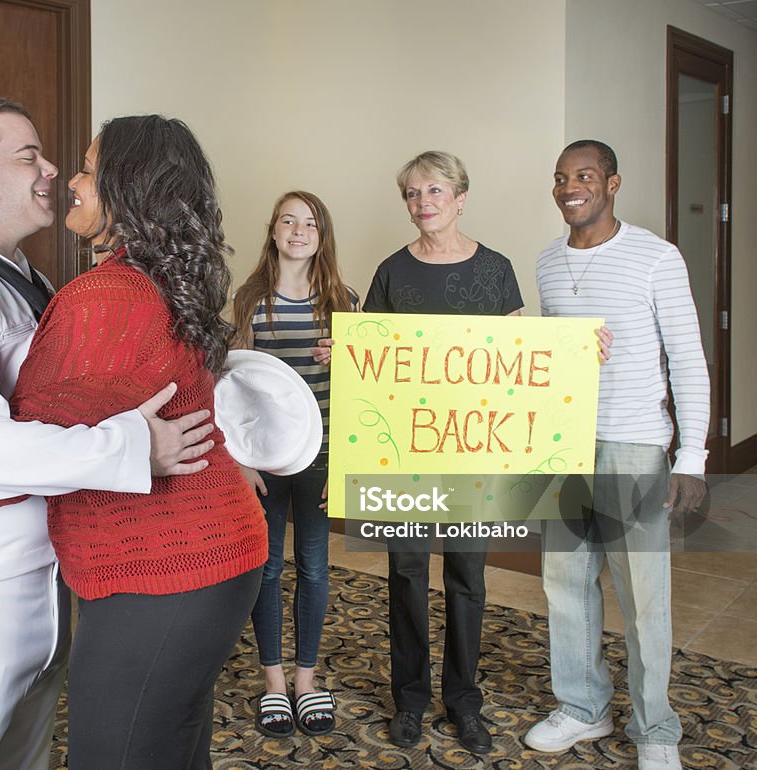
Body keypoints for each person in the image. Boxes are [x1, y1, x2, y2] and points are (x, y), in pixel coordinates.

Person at [0, 114, 270, 770]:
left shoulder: (54, 286)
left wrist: (206, 450)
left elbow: (135, 393)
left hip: (57, 582)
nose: (55, 174)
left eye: (72, 163)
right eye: (33, 156)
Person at [525, 140, 709, 770]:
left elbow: (687, 359)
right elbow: (547, 357)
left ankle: (656, 728)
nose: (569, 187)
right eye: (560, 178)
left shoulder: (656, 257)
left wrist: (692, 457)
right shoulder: (548, 262)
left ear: (612, 183)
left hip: (633, 444)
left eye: (583, 176)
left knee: (642, 594)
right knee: (566, 582)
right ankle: (583, 708)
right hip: (564, 442)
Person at [363, 151, 524, 754]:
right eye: (410, 193)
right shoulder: (390, 272)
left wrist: (576, 350)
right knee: (404, 573)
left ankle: (463, 701)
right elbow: (373, 358)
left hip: (473, 448)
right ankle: (409, 699)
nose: (421, 202)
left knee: (467, 577)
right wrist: (344, 354)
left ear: (460, 196)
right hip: (405, 450)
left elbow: (518, 364)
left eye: (433, 190)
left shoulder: (497, 270)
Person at [230, 191, 358, 738]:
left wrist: (348, 462)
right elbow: (232, 384)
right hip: (265, 459)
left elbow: (362, 392)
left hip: (324, 456)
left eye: (310, 223)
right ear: (274, 231)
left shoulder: (344, 302)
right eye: (289, 221)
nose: (299, 231)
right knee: (268, 566)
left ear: (322, 235)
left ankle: (307, 682)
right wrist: (240, 460)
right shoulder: (250, 301)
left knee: (313, 566)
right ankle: (275, 683)